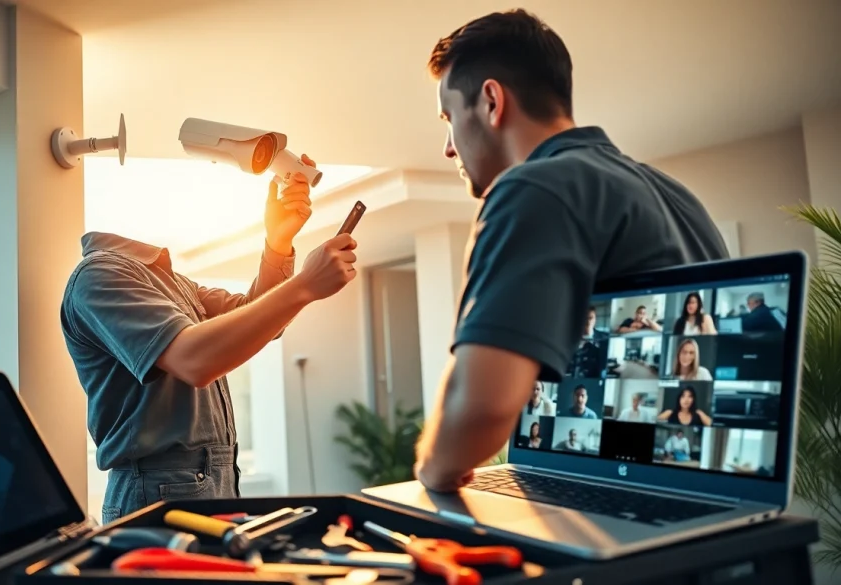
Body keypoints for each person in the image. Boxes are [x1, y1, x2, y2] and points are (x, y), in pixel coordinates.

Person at [412, 9, 729, 492]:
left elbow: (480, 409)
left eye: (448, 117)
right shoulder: (675, 193)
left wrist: (434, 468)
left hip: (627, 519)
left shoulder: (533, 187)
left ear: (492, 101)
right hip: (702, 505)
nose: (448, 149)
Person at [61, 159, 360, 522]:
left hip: (211, 479)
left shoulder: (174, 282)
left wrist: (278, 244)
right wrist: (304, 286)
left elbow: (257, 317)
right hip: (159, 489)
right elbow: (194, 359)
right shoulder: (101, 275)